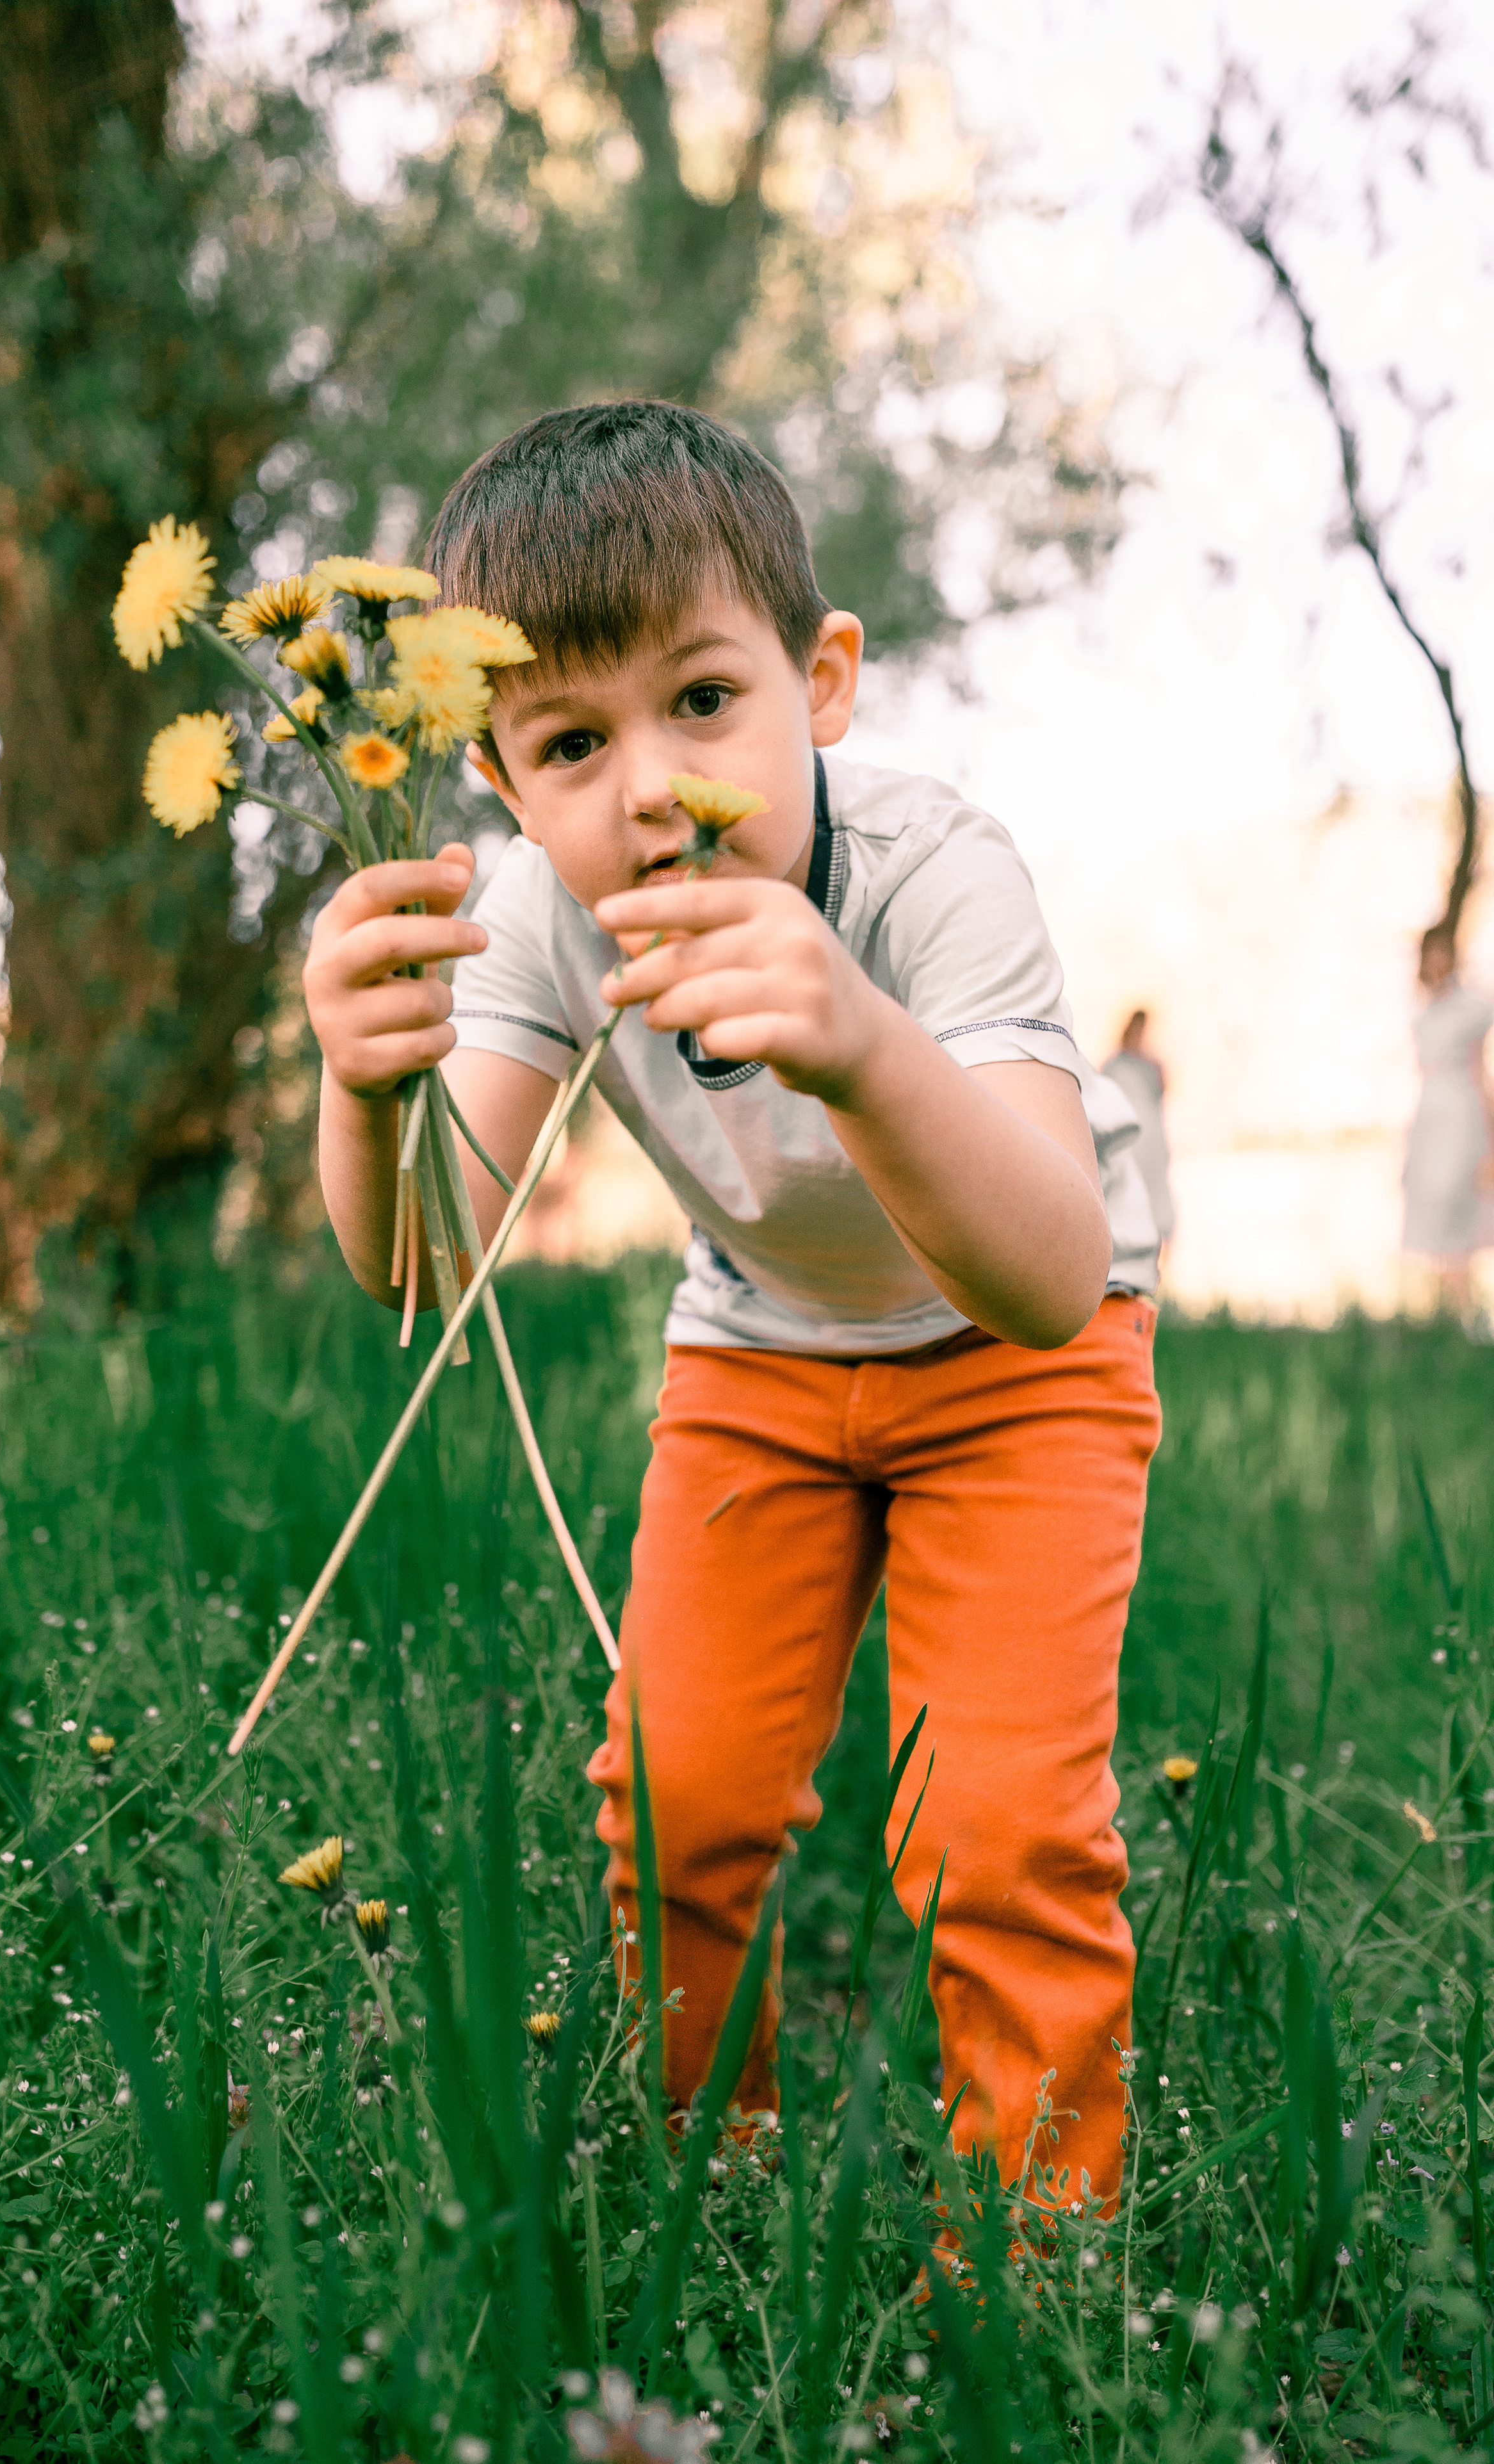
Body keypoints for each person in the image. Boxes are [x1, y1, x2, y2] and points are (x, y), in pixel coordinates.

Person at [303, 402, 1161, 2218]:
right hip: (762, 1354)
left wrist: (858, 1032)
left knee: (998, 1820)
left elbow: (1048, 1272)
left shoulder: (937, 873)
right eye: (568, 740)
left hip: (1022, 1368)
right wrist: (359, 1091)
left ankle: (1050, 2250)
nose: (647, 786)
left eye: (703, 701)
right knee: (678, 1788)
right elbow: (422, 1271)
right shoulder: (541, 918)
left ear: (821, 679)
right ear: (502, 782)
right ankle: (715, 2177)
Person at [1402, 924, 1494, 1321]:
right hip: (1430, 1120)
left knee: (1460, 1209)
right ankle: (1449, 1315)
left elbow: (1479, 1072)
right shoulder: (1422, 1012)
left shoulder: (1472, 1010)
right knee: (1434, 1211)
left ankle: (1466, 1315)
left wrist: (1489, 1136)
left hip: (1462, 1118)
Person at [1100, 1008, 1174, 1252]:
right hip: (1127, 1143)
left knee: (1157, 1199)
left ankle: (1161, 1258)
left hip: (1151, 1140)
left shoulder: (1153, 1064)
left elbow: (1161, 1097)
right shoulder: (1114, 1064)